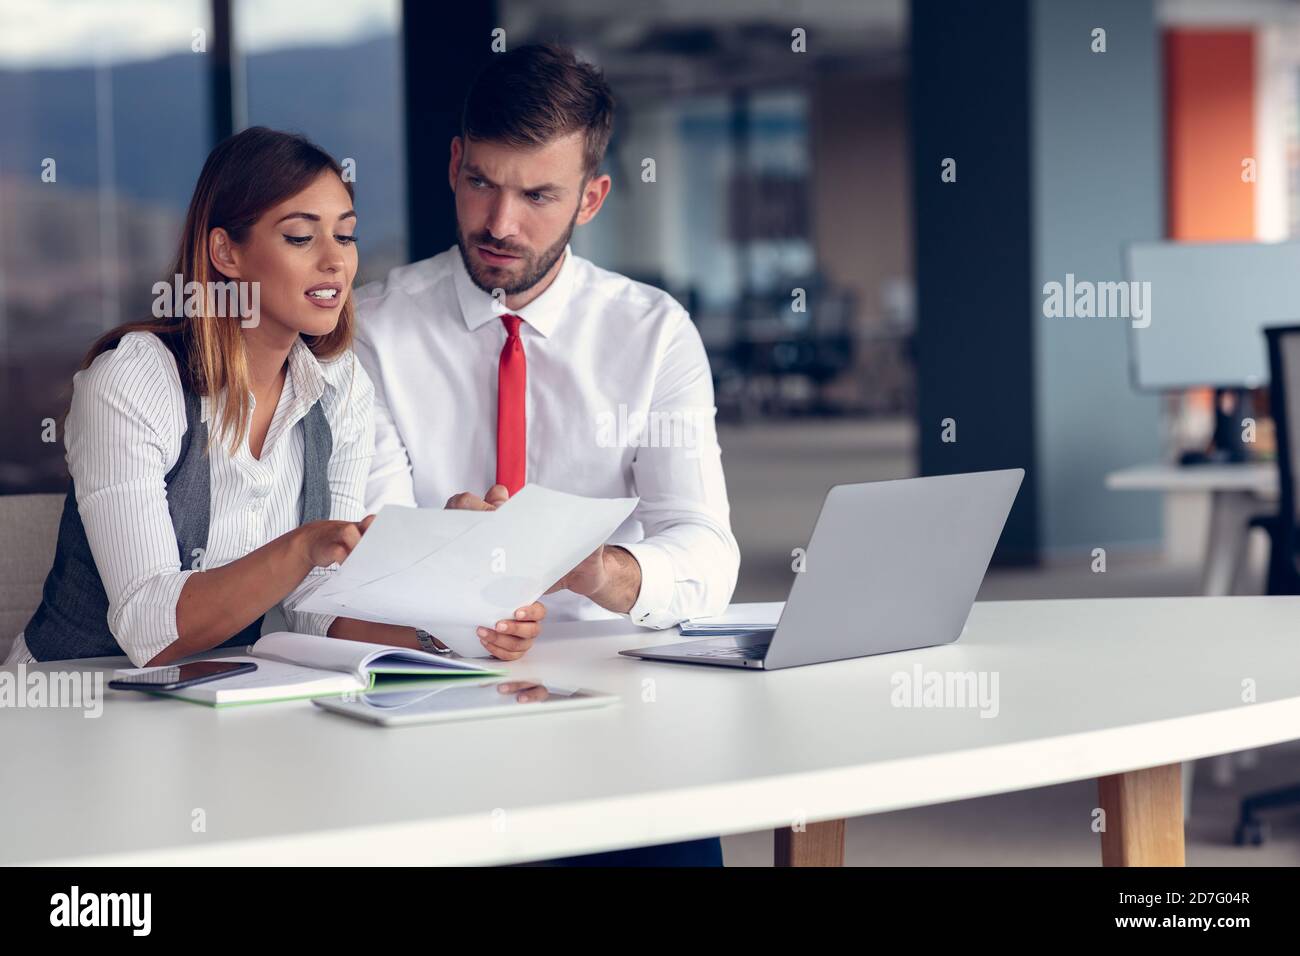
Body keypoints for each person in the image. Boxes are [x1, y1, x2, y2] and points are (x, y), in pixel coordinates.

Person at [353, 45, 736, 864]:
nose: (500, 223)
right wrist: (449, 560)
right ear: (454, 163)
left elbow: (704, 545)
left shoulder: (653, 333)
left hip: (615, 692)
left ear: (591, 198)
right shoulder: (372, 331)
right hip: (433, 686)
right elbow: (358, 549)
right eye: (483, 181)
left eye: (538, 196)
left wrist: (593, 568)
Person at [4, 127, 543, 668]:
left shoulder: (340, 387)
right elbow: (150, 631)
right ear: (226, 253)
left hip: (218, 698)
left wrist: (454, 622)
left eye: (346, 235)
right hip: (73, 703)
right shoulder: (134, 382)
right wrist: (305, 545)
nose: (336, 261)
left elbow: (316, 608)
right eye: (301, 237)